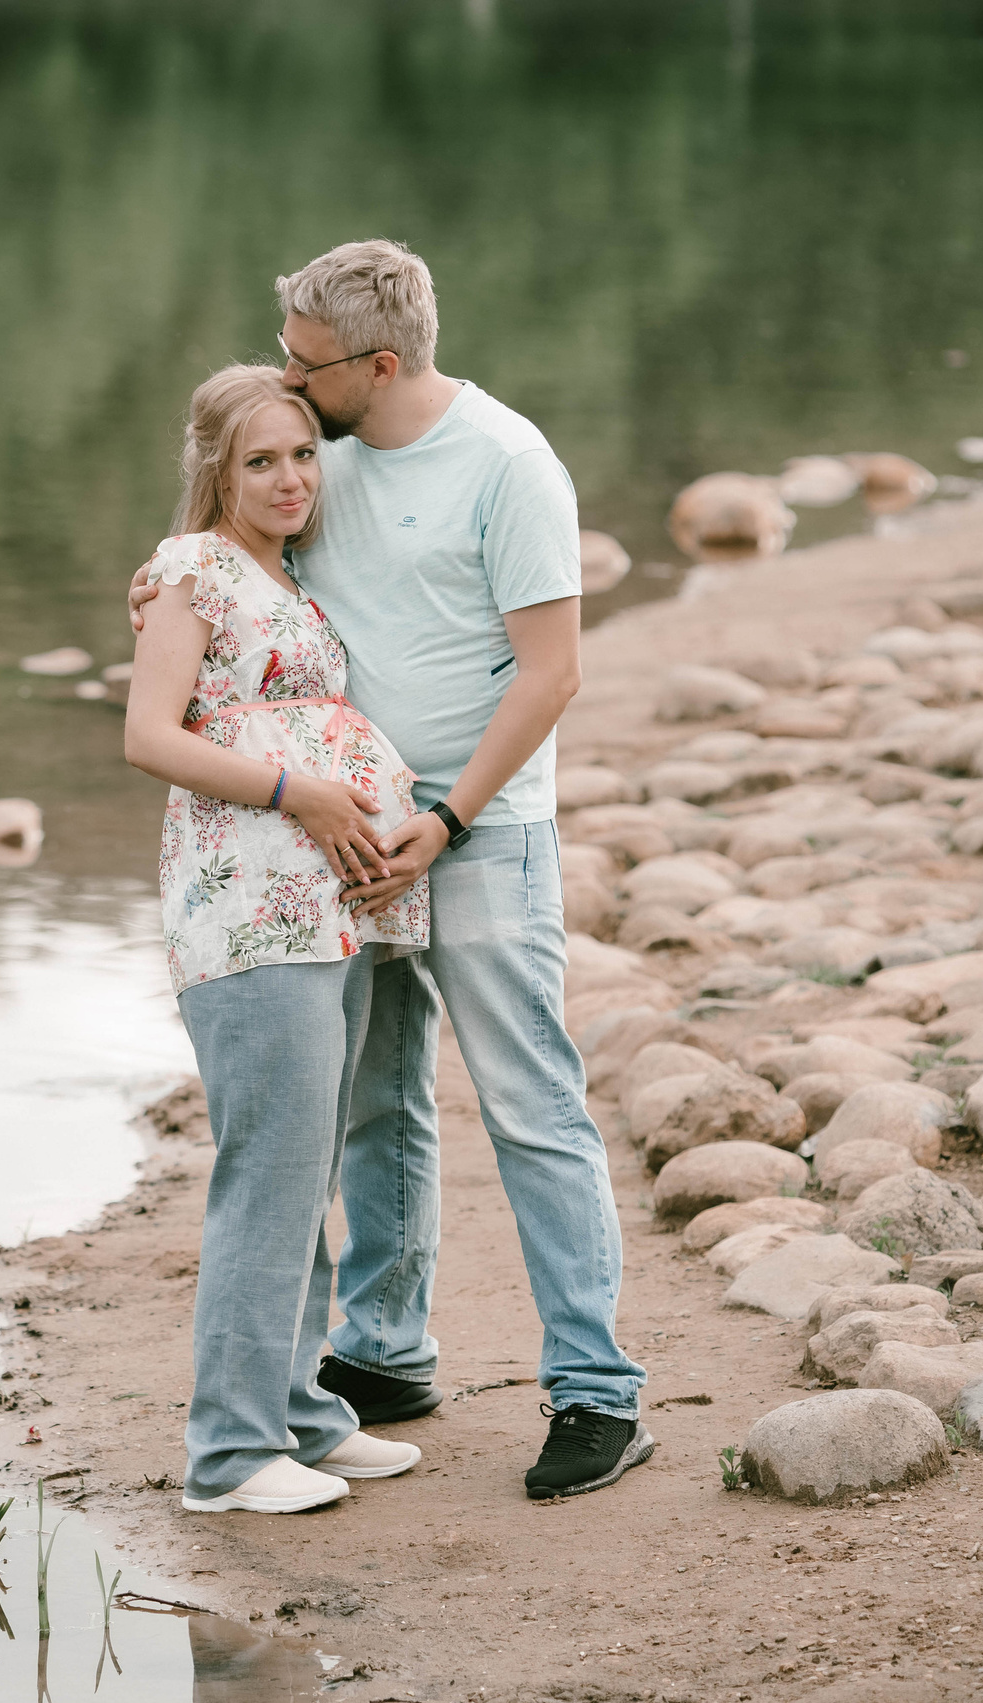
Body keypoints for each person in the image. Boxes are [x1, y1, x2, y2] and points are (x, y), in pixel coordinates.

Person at [129, 240, 652, 1502]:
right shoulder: (314, 462)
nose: (289, 401)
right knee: (373, 1106)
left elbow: (552, 675)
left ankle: (595, 1393)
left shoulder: (508, 465)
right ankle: (380, 1354)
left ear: (379, 362)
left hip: (478, 829)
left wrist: (451, 817)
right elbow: (230, 608)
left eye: (307, 375)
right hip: (329, 857)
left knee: (530, 1107)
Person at [123, 363, 430, 1516]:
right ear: (215, 468)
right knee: (269, 1176)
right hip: (246, 909)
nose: (292, 477)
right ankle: (228, 1457)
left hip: (325, 907)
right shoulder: (194, 567)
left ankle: (297, 1414)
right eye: (261, 460)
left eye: (304, 453)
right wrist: (296, 790)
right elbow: (148, 735)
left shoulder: (284, 573)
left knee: (303, 1173)